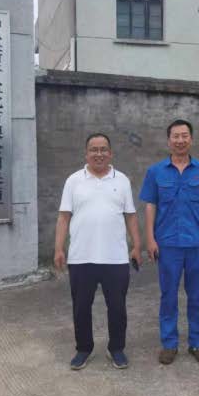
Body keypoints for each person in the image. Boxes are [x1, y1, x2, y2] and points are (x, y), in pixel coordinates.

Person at [54, 133, 142, 370]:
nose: (99, 154)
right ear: (86, 153)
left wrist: (137, 245)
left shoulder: (121, 180)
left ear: (110, 153)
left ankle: (117, 348)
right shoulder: (74, 181)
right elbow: (64, 217)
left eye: (103, 149)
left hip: (115, 258)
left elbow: (131, 216)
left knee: (117, 308)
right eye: (94, 149)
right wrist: (59, 248)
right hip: (81, 257)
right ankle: (83, 348)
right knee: (81, 307)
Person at [139, 120, 199, 365]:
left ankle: (198, 343)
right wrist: (150, 238)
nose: (180, 140)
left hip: (196, 242)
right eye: (176, 136)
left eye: (185, 136)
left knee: (196, 295)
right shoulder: (155, 172)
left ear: (191, 139)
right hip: (167, 244)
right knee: (168, 296)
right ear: (168, 141)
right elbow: (150, 206)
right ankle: (169, 344)